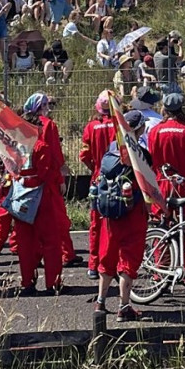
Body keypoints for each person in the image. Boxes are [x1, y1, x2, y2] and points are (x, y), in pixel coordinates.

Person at [93, 110, 150, 320]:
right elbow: (148, 184)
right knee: (128, 259)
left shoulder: (111, 149)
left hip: (110, 213)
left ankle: (100, 302)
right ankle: (124, 306)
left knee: (107, 256)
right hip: (132, 212)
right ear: (139, 128)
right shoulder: (140, 154)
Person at [14, 93, 67, 296]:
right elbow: (48, 172)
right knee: (51, 240)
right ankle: (52, 282)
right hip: (40, 194)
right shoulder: (41, 146)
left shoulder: (15, 146)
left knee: (25, 242)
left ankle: (27, 281)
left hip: (20, 193)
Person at [78, 95, 121, 280]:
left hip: (97, 179)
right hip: (119, 178)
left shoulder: (91, 127)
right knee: (117, 224)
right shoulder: (119, 125)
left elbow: (84, 155)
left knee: (96, 224)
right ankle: (115, 264)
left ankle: (93, 265)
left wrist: (95, 168)